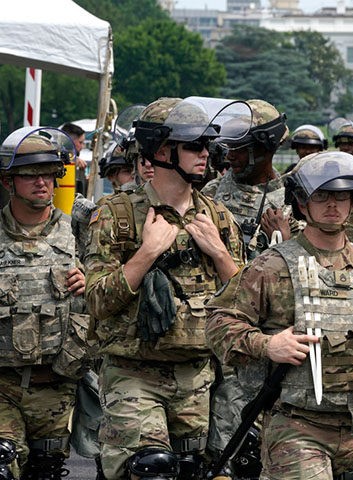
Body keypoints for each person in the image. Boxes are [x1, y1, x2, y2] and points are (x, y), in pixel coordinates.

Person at [205, 150, 353, 479]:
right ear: (302, 202)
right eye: (321, 195)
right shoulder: (274, 265)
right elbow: (218, 321)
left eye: (342, 196)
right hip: (297, 428)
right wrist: (266, 345)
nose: (333, 205)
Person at [84, 97, 246, 480]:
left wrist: (221, 254)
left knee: (199, 470)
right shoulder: (116, 215)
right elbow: (97, 301)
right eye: (194, 145)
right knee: (151, 469)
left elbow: (244, 304)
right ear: (160, 151)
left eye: (206, 145)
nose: (205, 153)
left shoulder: (217, 217)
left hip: (199, 376)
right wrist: (147, 252)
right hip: (134, 373)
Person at [0, 127, 91, 479]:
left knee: (46, 471)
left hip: (56, 383)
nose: (42, 183)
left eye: (49, 175)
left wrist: (91, 281)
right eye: (30, 176)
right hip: (3, 385)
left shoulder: (78, 232)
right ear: (9, 182)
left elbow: (113, 289)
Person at [201, 99, 297, 261]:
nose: (230, 156)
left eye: (240, 149)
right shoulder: (213, 191)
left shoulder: (289, 202)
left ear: (265, 148)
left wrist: (281, 240)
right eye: (229, 147)